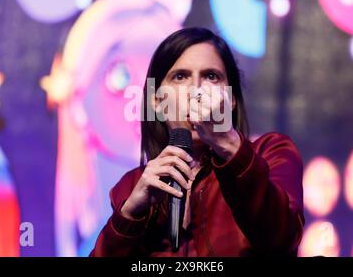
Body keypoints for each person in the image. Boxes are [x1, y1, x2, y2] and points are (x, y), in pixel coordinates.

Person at [89, 27, 304, 257]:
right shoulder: (132, 185)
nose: (196, 91)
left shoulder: (271, 154)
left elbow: (282, 240)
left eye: (211, 76)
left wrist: (229, 145)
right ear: (157, 101)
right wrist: (130, 215)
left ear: (230, 99)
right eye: (180, 77)